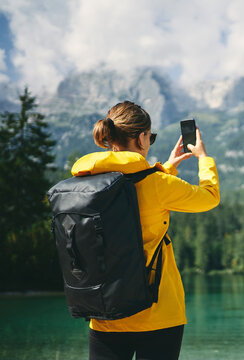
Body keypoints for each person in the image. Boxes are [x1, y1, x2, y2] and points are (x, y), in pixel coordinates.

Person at [70, 101, 220, 360]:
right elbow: (209, 197)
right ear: (141, 138)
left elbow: (134, 187)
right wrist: (204, 159)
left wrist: (168, 166)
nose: (149, 141)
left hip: (105, 310)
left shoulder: (84, 180)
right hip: (158, 313)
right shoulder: (159, 184)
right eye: (150, 136)